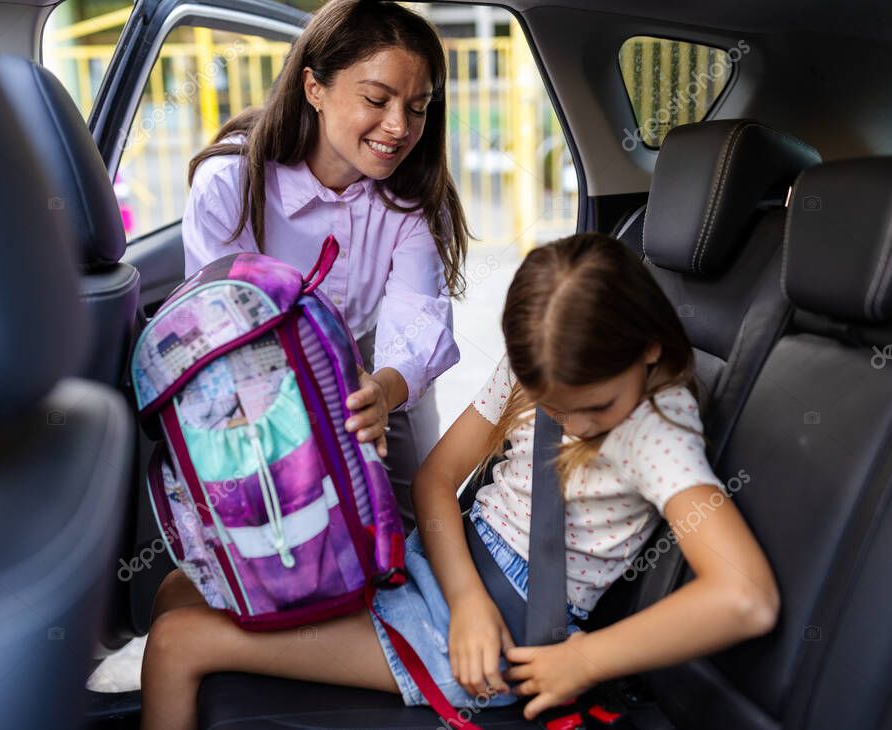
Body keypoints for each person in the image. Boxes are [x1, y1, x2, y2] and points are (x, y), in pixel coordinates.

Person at [140, 233, 780, 730]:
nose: (575, 425)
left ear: (647, 348)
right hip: (448, 579)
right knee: (177, 589)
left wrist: (583, 660)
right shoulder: (542, 362)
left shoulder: (654, 430)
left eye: (595, 409)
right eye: (553, 407)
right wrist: (466, 597)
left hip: (503, 635)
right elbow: (436, 480)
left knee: (177, 643)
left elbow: (746, 596)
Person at [181, 0, 469, 535]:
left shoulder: (414, 203)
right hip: (259, 376)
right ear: (314, 87)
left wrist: (381, 393)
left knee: (415, 522)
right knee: (297, 530)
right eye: (376, 99)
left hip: (373, 360)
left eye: (419, 106)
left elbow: (415, 323)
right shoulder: (230, 184)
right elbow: (224, 329)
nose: (399, 126)